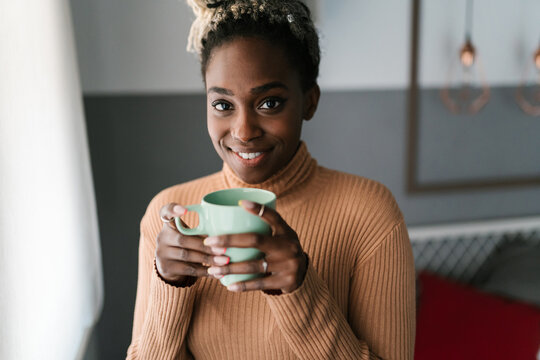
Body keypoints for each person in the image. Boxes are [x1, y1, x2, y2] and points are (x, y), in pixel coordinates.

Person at [126, 0, 416, 359]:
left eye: (270, 103)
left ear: (309, 102)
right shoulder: (168, 218)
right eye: (222, 105)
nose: (243, 131)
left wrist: (301, 292)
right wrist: (169, 285)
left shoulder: (370, 213)